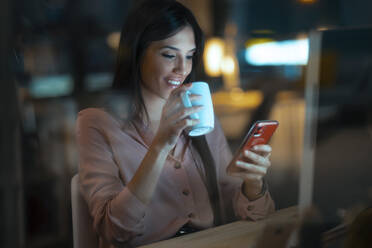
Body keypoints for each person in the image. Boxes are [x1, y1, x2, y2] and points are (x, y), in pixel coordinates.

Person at [76, 0, 275, 247]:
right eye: (170, 55)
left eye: (189, 56)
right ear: (137, 53)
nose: (182, 69)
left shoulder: (200, 115)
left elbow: (249, 213)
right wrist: (161, 144)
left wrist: (253, 183)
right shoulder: (96, 123)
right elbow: (115, 231)